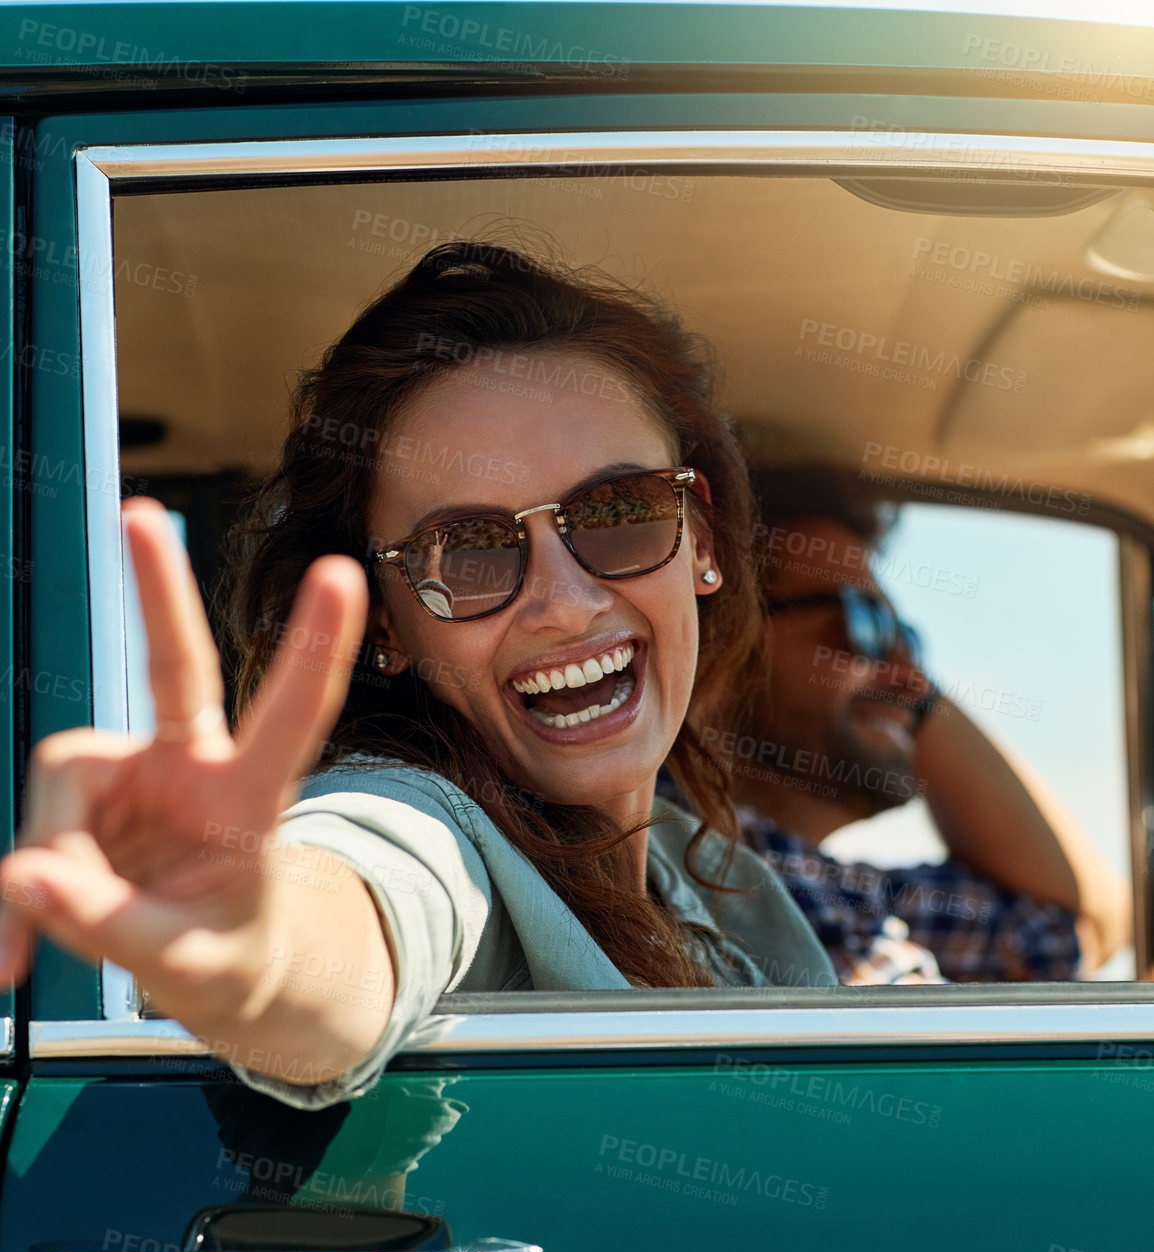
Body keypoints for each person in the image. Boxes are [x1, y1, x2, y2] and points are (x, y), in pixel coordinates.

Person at [0, 245, 835, 1110]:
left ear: (698, 540)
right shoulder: (427, 825)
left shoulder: (721, 883)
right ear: (387, 629)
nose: (567, 602)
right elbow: (349, 908)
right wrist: (254, 952)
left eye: (617, 513)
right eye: (466, 551)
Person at [716, 462, 1131, 984]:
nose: (916, 680)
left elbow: (1078, 927)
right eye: (860, 620)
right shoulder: (672, 844)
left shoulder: (828, 887)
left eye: (907, 638)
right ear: (721, 644)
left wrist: (904, 685)